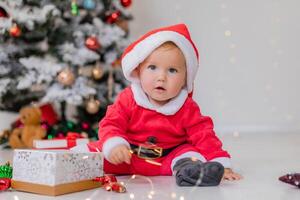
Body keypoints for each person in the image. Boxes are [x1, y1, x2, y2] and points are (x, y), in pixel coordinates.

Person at [80, 24, 242, 186]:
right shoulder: (129, 98)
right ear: (139, 70)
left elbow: (203, 134)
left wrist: (222, 164)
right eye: (152, 67)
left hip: (168, 158)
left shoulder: (186, 107)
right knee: (92, 154)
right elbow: (111, 123)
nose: (161, 77)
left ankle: (192, 173)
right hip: (127, 156)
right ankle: (74, 164)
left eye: (172, 70)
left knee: (189, 155)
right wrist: (115, 145)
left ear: (186, 78)